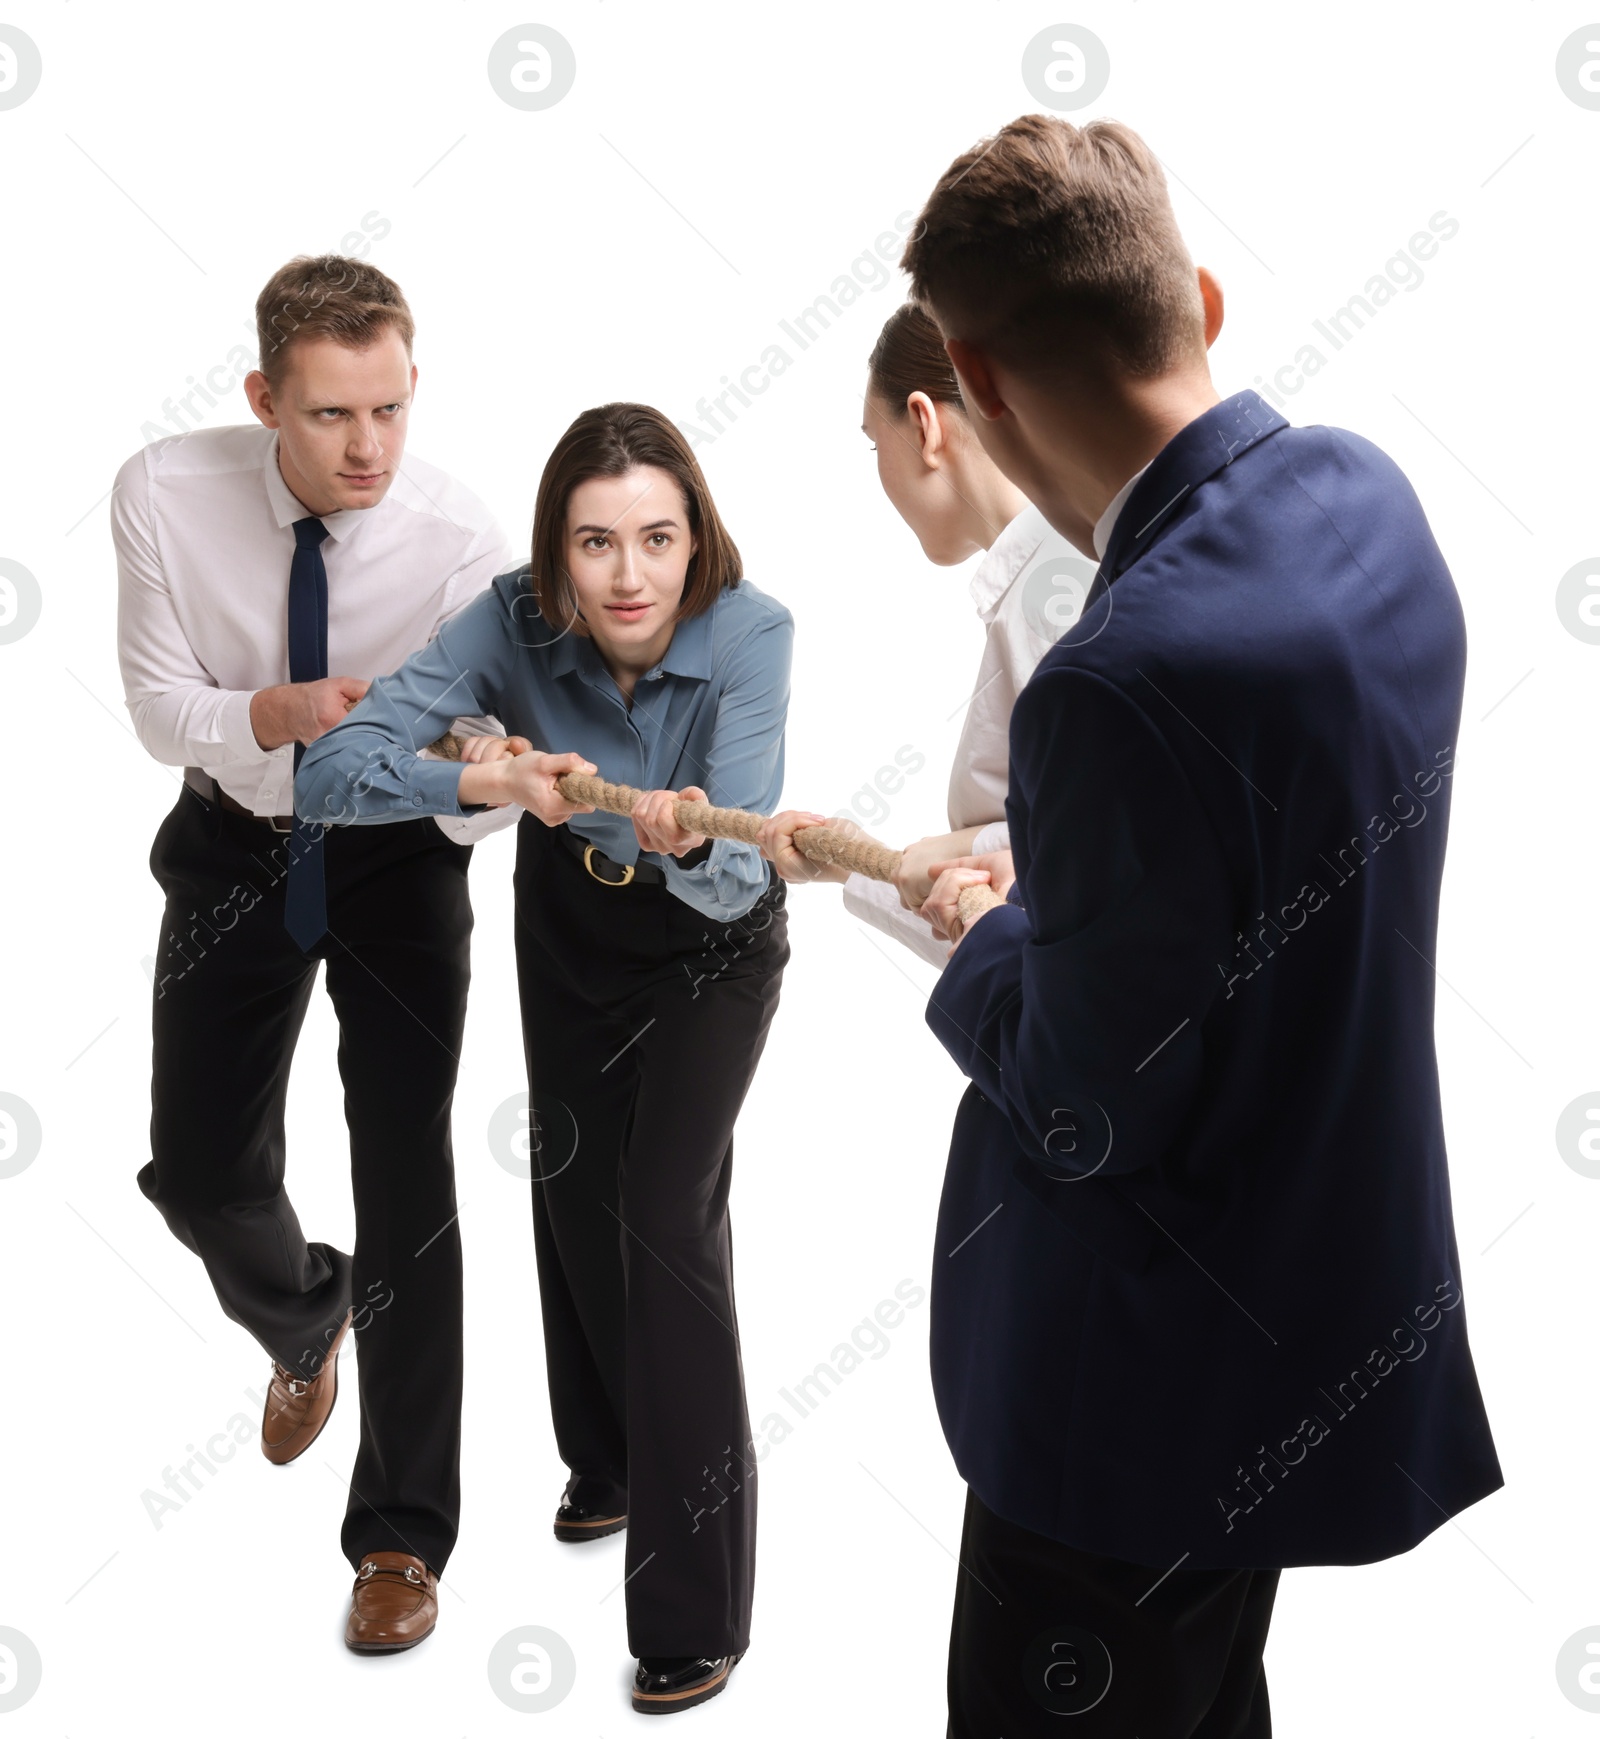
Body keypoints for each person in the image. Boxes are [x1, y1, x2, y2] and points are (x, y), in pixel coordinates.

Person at [900, 115, 1501, 1736]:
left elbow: (1089, 1110)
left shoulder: (1113, 680)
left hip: (1129, 1393)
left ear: (980, 385)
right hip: (1302, 1328)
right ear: (1200, 298)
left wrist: (985, 931)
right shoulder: (1368, 503)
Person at [297, 402, 793, 1715]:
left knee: (664, 1211)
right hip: (568, 913)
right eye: (595, 542)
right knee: (573, 1180)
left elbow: (739, 868)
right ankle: (614, 1458)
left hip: (711, 942)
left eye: (656, 538)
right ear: (555, 552)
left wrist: (682, 834)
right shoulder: (511, 620)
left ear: (697, 537)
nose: (629, 574)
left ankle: (698, 1604)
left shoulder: (756, 633)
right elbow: (335, 770)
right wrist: (484, 786)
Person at [114, 253, 516, 1656]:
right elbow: (164, 710)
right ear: (263, 399)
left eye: (392, 410)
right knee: (199, 1168)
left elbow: (471, 726)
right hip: (236, 835)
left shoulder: (460, 535)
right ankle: (302, 1317)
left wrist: (480, 751)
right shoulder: (164, 491)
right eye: (336, 415)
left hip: (399, 857)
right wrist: (273, 713)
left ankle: (403, 1533)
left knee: (408, 1180)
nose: (369, 450)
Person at [757, 302, 1082, 962]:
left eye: (877, 444)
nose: (881, 471)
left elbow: (1091, 858)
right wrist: (856, 860)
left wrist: (945, 854)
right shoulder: (1050, 575)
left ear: (924, 424)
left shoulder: (1053, 595)